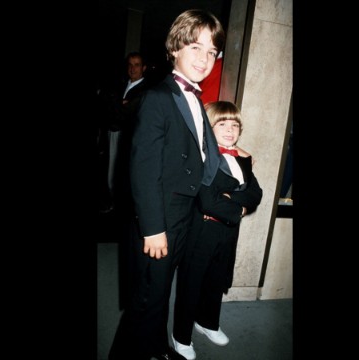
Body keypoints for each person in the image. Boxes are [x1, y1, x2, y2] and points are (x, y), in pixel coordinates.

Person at [108, 9, 225, 360]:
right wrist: (153, 229)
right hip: (160, 218)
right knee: (149, 297)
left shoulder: (195, 101)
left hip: (184, 215)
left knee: (158, 293)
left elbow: (203, 160)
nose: (204, 59)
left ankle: (155, 348)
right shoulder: (158, 97)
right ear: (175, 48)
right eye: (195, 47)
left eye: (211, 51)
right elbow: (142, 170)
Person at [171, 101, 263, 359]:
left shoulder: (243, 158)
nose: (230, 130)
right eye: (222, 124)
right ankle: (181, 336)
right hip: (201, 231)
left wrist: (235, 204)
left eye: (235, 125)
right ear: (209, 129)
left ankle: (208, 322)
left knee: (216, 279)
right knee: (192, 283)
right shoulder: (203, 158)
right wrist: (238, 203)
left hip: (228, 232)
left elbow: (256, 193)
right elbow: (208, 200)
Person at [101, 52, 149, 214]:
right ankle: (112, 203)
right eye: (130, 64)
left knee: (121, 174)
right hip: (113, 133)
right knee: (109, 170)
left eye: (136, 65)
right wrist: (117, 104)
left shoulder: (145, 90)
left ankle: (119, 208)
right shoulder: (122, 85)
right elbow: (107, 108)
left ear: (143, 68)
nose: (132, 68)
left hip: (129, 138)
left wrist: (117, 104)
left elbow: (123, 113)